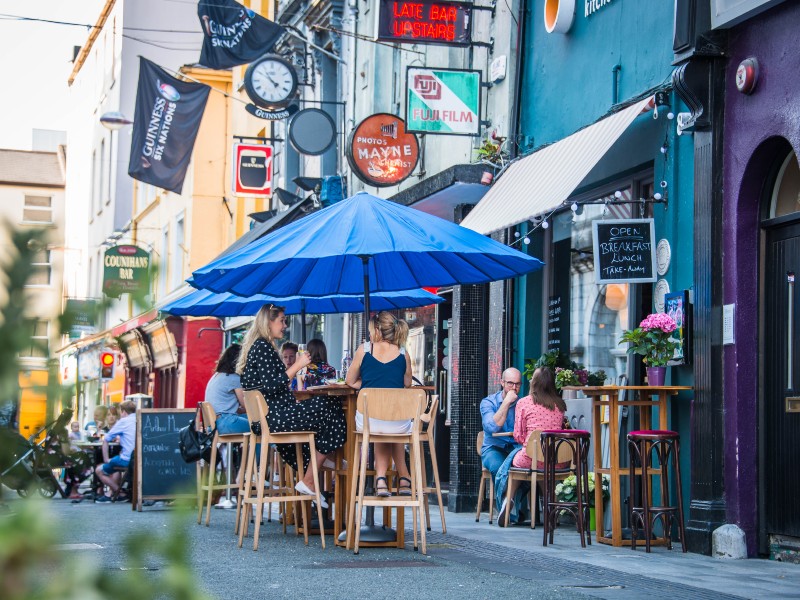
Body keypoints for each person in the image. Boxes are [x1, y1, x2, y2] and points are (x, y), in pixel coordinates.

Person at [238, 304, 346, 507]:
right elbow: (271, 386)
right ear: (268, 322)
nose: (285, 325)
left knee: (328, 408)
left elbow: (271, 386)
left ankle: (318, 464)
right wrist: (297, 365)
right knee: (331, 404)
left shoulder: (261, 346)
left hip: (269, 417)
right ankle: (315, 471)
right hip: (272, 418)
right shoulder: (262, 347)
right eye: (282, 320)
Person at [346, 311, 414, 497]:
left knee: (380, 421)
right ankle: (403, 478)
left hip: (370, 421)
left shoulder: (365, 349)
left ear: (377, 330)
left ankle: (381, 478)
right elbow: (407, 383)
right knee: (389, 422)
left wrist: (368, 388)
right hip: (398, 423)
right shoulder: (403, 353)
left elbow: (350, 381)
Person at [511, 367, 567, 469]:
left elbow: (519, 436)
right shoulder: (560, 404)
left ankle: (508, 486)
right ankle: (546, 486)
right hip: (556, 461)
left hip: (530, 459)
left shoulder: (524, 402)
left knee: (510, 461)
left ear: (534, 383)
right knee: (543, 467)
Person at [480, 367, 522, 479]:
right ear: (502, 382)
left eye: (517, 384)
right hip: (493, 447)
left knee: (526, 471)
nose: (514, 388)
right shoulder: (488, 402)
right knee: (500, 468)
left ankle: (512, 497)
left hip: (516, 448)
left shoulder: (522, 404)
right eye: (510, 383)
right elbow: (492, 428)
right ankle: (504, 497)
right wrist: (507, 401)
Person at [94, 400, 137, 503]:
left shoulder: (123, 422)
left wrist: (106, 459)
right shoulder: (141, 418)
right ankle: (118, 493)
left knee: (99, 470)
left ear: (123, 411)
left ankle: (120, 493)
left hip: (128, 460)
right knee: (116, 464)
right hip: (142, 459)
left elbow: (106, 440)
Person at [205, 344, 249, 434]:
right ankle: (273, 447)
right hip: (226, 423)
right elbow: (246, 405)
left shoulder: (217, 376)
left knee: (254, 422)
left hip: (213, 425)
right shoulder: (234, 378)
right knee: (260, 426)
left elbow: (237, 409)